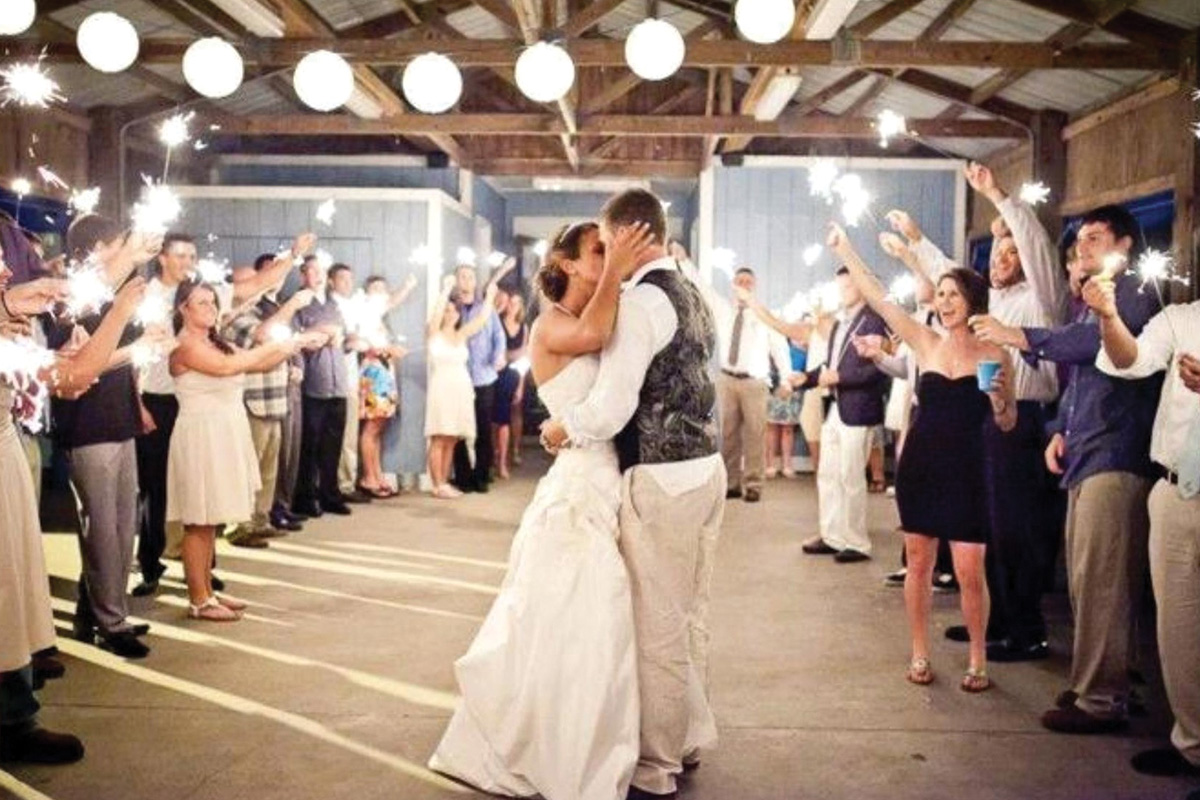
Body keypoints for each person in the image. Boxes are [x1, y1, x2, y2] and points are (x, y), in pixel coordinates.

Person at [430, 219, 653, 800]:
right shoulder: (551, 323)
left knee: (603, 619)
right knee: (582, 616)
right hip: (579, 488)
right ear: (569, 262)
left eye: (612, 249)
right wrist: (620, 272)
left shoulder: (607, 306)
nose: (609, 258)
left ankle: (598, 738)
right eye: (598, 250)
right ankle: (559, 749)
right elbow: (600, 334)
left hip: (613, 479)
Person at [542, 189, 726, 799]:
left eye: (606, 238)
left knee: (658, 628)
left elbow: (613, 403)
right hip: (707, 467)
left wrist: (565, 426)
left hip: (663, 477)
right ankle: (690, 735)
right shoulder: (693, 289)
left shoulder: (644, 301)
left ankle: (657, 765)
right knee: (692, 612)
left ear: (627, 236)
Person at [969, 206, 1162, 732]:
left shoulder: (1133, 294)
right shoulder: (1088, 301)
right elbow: (1078, 376)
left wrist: (1020, 336)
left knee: (1102, 578)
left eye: (1096, 238)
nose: (1083, 247)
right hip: (1085, 449)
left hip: (1116, 452)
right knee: (1086, 577)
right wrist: (1058, 428)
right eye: (1080, 239)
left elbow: (1096, 347)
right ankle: (1095, 683)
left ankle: (1102, 699)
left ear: (1126, 245)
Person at [829, 222, 1016, 692]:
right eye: (942, 294)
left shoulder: (995, 353)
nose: (946, 302)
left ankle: (978, 659)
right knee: (918, 562)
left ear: (973, 301)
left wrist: (998, 402)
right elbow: (876, 296)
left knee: (972, 571)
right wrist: (847, 248)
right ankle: (919, 653)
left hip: (970, 468)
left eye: (954, 295)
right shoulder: (924, 341)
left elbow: (1008, 421)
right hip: (923, 465)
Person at [911, 166, 1069, 659]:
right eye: (996, 254)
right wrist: (916, 244)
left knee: (1018, 528)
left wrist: (998, 197)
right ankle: (996, 621)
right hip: (987, 423)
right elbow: (952, 278)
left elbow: (1037, 245)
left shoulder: (1043, 298)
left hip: (1023, 420)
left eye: (1010, 254)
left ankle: (1027, 630)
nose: (1002, 260)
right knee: (988, 525)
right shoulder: (991, 299)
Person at [0, 263, 144, 765]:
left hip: (7, 462)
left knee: (11, 591)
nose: (8, 286)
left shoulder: (9, 339)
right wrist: (122, 309)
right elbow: (78, 377)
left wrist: (54, 355)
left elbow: (65, 379)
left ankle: (14, 718)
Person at [133, 231, 312, 596]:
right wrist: (136, 404)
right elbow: (131, 359)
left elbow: (256, 286)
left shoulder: (205, 293)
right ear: (162, 258)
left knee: (205, 497)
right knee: (156, 490)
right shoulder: (143, 294)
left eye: (192, 255)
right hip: (158, 399)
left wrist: (292, 255)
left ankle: (201, 573)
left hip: (207, 398)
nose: (187, 262)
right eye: (180, 255)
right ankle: (151, 565)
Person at [1087, 280, 1200, 783]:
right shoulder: (1184, 318)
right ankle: (1193, 744)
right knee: (1178, 631)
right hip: (1177, 490)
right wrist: (1109, 317)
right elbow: (1129, 360)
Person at [48, 217, 166, 659]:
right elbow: (80, 365)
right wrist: (134, 349)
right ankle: (109, 621)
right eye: (120, 243)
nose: (129, 251)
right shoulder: (71, 300)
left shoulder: (112, 295)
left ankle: (97, 609)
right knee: (102, 530)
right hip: (88, 425)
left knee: (121, 526)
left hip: (119, 420)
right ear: (98, 248)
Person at [167, 281, 320, 621]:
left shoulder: (215, 342)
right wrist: (291, 341)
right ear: (183, 309)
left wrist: (297, 345)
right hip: (201, 434)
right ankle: (198, 600)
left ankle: (207, 589)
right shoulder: (186, 346)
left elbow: (258, 364)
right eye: (201, 302)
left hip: (224, 430)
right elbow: (228, 368)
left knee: (212, 520)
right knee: (198, 520)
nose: (209, 307)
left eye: (212, 302)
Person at [224, 256, 324, 547]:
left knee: (268, 469)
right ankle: (241, 524)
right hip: (252, 399)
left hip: (275, 398)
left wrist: (298, 348)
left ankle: (260, 519)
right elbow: (261, 336)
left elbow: (277, 346)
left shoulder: (267, 309)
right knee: (250, 467)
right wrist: (293, 306)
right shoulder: (234, 315)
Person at [797, 266, 889, 563]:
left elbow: (875, 368)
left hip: (859, 408)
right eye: (840, 287)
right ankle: (832, 535)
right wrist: (807, 378)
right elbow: (830, 364)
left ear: (861, 287)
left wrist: (838, 378)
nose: (842, 292)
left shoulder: (873, 320)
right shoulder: (840, 324)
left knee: (851, 476)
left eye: (847, 287)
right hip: (836, 406)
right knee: (828, 473)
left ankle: (857, 542)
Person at [703, 267, 792, 502]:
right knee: (728, 435)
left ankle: (753, 484)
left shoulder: (762, 315)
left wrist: (787, 379)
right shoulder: (723, 310)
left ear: (754, 286)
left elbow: (779, 348)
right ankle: (730, 483)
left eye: (748, 282)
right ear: (734, 284)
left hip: (755, 383)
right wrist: (683, 261)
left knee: (755, 434)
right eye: (740, 281)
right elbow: (703, 288)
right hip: (727, 379)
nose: (743, 285)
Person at [424, 276, 499, 499]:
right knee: (439, 435)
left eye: (453, 310)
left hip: (461, 388)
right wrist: (446, 289)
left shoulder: (461, 334)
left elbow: (483, 319)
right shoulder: (434, 334)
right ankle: (436, 483)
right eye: (447, 310)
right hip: (442, 387)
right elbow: (436, 314)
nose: (450, 313)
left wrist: (490, 296)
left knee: (453, 436)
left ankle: (445, 481)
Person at [293, 259, 355, 517]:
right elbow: (294, 342)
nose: (318, 276)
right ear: (302, 274)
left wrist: (348, 339)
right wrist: (318, 333)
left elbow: (344, 341)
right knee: (310, 445)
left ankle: (330, 494)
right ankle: (306, 497)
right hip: (313, 384)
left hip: (338, 381)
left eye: (321, 271)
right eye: (313, 271)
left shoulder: (333, 306)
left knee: (333, 444)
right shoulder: (297, 306)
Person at [450, 263, 509, 494]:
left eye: (470, 277)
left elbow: (498, 336)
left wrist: (498, 356)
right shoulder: (451, 309)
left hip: (484, 376)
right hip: (458, 377)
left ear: (475, 282)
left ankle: (482, 475)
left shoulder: (486, 308)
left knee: (483, 428)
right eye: (461, 277)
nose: (465, 281)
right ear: (456, 282)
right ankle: (463, 477)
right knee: (458, 430)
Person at [356, 274, 415, 498]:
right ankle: (368, 477)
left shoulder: (379, 317)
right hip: (374, 374)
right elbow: (366, 346)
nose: (381, 293)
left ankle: (377, 475)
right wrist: (389, 350)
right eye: (376, 288)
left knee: (378, 428)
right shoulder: (365, 313)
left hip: (384, 373)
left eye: (383, 288)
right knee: (371, 428)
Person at [492, 288, 528, 480]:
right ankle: (496, 454)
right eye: (511, 303)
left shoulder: (524, 327)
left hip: (514, 374)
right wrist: (512, 355)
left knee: (512, 413)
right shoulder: (497, 323)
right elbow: (500, 353)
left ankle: (511, 451)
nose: (513, 306)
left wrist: (521, 384)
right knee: (495, 417)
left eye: (517, 303)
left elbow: (525, 357)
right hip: (496, 373)